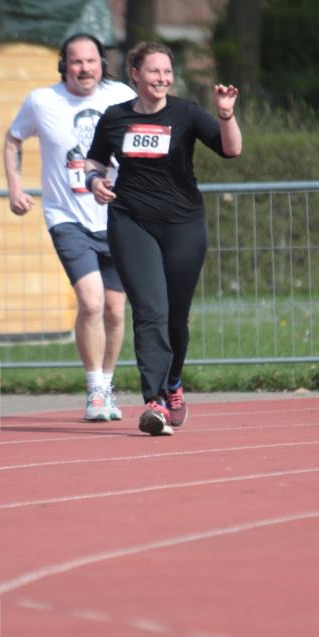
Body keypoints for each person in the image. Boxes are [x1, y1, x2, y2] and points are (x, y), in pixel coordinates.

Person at [85, 41, 242, 436]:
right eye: (154, 71)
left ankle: (173, 381)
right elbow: (95, 159)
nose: (162, 78)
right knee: (150, 310)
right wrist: (94, 181)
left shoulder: (186, 113)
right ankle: (153, 400)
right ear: (135, 74)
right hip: (131, 221)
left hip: (183, 225)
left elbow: (231, 149)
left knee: (175, 316)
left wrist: (225, 115)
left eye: (167, 72)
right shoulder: (115, 117)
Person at [5, 33, 135, 422]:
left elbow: (150, 136)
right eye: (76, 61)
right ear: (64, 65)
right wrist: (15, 187)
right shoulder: (42, 101)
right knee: (91, 302)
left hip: (118, 218)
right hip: (67, 217)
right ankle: (94, 389)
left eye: (91, 61)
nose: (84, 68)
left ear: (102, 64)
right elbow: (13, 140)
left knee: (114, 309)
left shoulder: (121, 96)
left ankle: (107, 384)